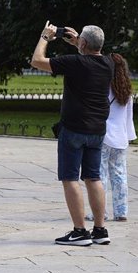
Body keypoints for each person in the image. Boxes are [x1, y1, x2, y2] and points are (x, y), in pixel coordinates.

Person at [30, 21, 114, 246]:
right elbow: (91, 53)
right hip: (97, 130)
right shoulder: (107, 64)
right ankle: (99, 230)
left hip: (74, 128)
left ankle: (79, 231)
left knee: (70, 178)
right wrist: (79, 41)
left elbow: (37, 61)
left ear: (84, 43)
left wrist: (45, 38)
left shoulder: (75, 63)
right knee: (93, 177)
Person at [87, 53, 137, 222]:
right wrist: (129, 136)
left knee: (99, 176)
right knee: (120, 175)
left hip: (102, 136)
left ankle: (99, 212)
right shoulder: (126, 91)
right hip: (120, 139)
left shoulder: (102, 88)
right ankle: (121, 211)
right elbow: (128, 118)